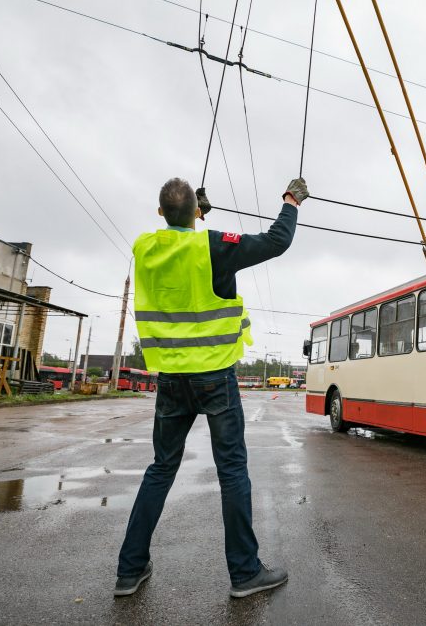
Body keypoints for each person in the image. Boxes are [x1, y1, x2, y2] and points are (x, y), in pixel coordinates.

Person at [113, 176, 308, 598]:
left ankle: (129, 571)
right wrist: (291, 201)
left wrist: (196, 215)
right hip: (216, 377)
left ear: (160, 212)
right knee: (232, 471)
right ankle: (244, 574)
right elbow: (275, 241)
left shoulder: (145, 248)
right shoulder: (215, 246)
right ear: (193, 214)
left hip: (171, 380)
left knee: (161, 468)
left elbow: (179, 242)